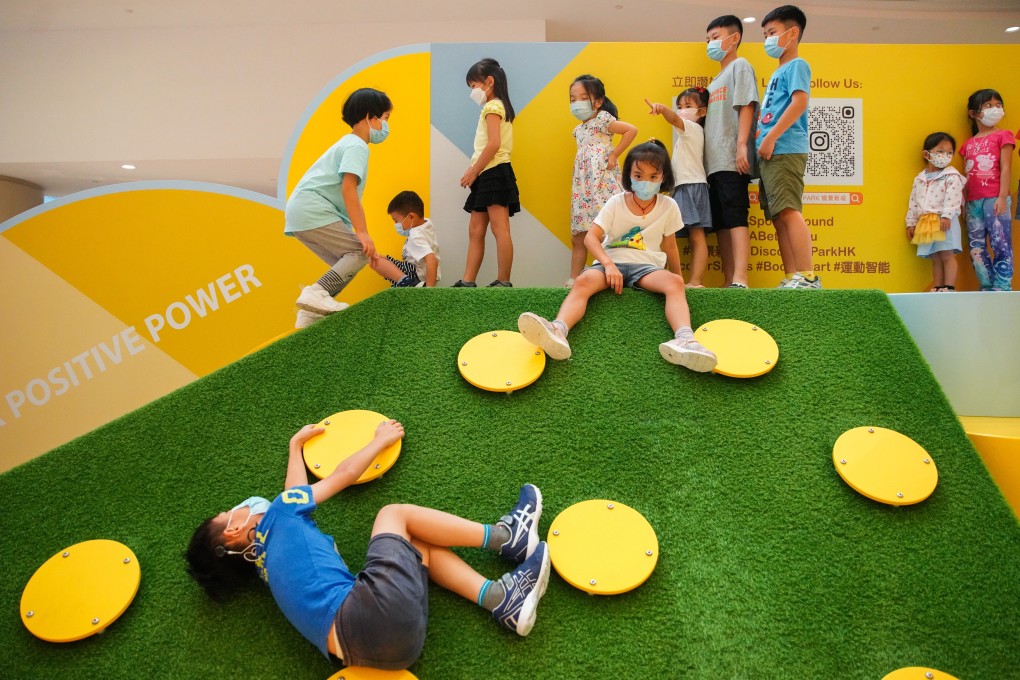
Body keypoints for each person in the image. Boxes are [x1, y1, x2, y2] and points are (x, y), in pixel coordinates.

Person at [185, 421, 551, 671]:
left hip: (381, 654)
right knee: (394, 515)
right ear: (232, 532)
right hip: (366, 614)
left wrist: (295, 447)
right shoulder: (279, 516)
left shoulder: (267, 560)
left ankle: (501, 599)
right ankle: (506, 536)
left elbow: (291, 495)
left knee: (416, 545)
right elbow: (340, 476)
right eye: (227, 513)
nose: (238, 507)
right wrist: (380, 440)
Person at [517, 141, 718, 373]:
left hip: (648, 268)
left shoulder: (669, 205)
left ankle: (685, 340)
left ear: (664, 177)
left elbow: (670, 247)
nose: (646, 182)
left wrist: (679, 279)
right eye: (639, 175)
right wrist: (608, 264)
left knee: (673, 282)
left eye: (654, 177)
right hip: (610, 263)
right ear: (628, 175)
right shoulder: (616, 202)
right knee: (583, 281)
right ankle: (558, 330)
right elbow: (591, 238)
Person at [286, 88, 392, 330]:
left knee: (347, 260)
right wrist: (362, 232)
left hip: (303, 214)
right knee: (358, 251)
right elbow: (348, 189)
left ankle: (311, 313)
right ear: (369, 117)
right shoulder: (357, 145)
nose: (385, 126)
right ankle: (317, 293)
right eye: (384, 118)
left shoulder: (347, 143)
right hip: (312, 209)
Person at [756, 5, 819, 289]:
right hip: (770, 152)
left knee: (790, 210)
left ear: (792, 34)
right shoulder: (778, 70)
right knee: (779, 217)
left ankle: (807, 275)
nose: (767, 39)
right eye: (765, 34)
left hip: (784, 148)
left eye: (772, 32)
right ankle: (792, 275)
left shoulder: (797, 65)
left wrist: (771, 137)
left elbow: (800, 102)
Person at [453, 59, 519, 288]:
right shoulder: (496, 107)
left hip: (494, 172)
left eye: (474, 85)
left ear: (489, 82)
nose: (473, 91)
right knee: (476, 229)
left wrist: (473, 170)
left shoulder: (493, 107)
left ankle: (504, 280)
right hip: (487, 174)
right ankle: (468, 280)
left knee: (500, 229)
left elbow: (493, 144)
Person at [704, 14, 759, 289]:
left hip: (731, 158)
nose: (711, 43)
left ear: (734, 38)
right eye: (708, 39)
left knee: (736, 216)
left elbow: (746, 105)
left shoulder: (741, 66)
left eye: (716, 37)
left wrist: (741, 147)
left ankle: (741, 277)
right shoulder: (714, 82)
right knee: (722, 222)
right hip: (712, 163)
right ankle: (729, 279)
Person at [567, 74, 637, 288]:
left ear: (597, 102)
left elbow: (630, 130)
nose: (576, 103)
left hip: (602, 182)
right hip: (583, 187)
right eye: (572, 99)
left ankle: (615, 271)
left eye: (582, 98)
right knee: (580, 234)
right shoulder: (578, 130)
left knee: (607, 229)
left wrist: (614, 154)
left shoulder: (603, 119)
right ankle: (574, 278)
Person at [646, 87, 713, 288]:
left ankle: (688, 280)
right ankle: (692, 280)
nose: (682, 110)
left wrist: (662, 109)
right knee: (694, 234)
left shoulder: (692, 129)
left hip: (689, 186)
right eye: (680, 106)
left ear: (702, 112)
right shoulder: (692, 133)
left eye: (688, 106)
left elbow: (674, 120)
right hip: (691, 185)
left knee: (678, 234)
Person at [960, 89, 1014, 291]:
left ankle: (1002, 285)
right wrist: (964, 203)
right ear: (973, 113)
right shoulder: (967, 145)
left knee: (1000, 242)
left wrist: (1002, 196)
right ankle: (986, 284)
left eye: (998, 104)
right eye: (988, 105)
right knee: (976, 246)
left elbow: (1006, 167)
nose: (995, 109)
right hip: (973, 201)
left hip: (995, 198)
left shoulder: (1003, 135)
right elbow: (965, 177)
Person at [905, 132, 965, 292]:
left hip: (944, 220)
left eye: (949, 152)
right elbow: (913, 201)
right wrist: (911, 222)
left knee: (946, 254)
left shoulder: (951, 176)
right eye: (940, 151)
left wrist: (946, 216)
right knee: (935, 256)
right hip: (926, 221)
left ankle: (949, 287)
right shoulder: (920, 179)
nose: (945, 155)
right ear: (927, 154)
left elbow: (954, 197)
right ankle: (938, 286)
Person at [368, 190, 441, 288]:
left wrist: (429, 290)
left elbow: (432, 259)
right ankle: (406, 281)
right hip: (417, 271)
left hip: (416, 274)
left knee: (376, 262)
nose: (396, 225)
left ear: (411, 217)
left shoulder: (416, 235)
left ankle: (408, 283)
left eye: (396, 221)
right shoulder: (426, 225)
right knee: (378, 258)